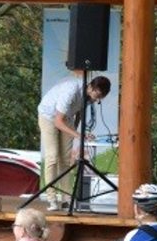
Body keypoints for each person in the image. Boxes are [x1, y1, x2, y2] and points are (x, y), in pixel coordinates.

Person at [37, 74, 111, 210]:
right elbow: (58, 122)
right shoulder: (70, 91)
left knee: (65, 160)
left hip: (66, 118)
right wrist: (78, 135)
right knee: (52, 157)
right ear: (91, 87)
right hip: (49, 116)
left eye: (100, 98)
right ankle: (51, 199)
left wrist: (79, 132)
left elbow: (78, 112)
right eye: (97, 96)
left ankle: (66, 199)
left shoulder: (90, 97)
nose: (96, 100)